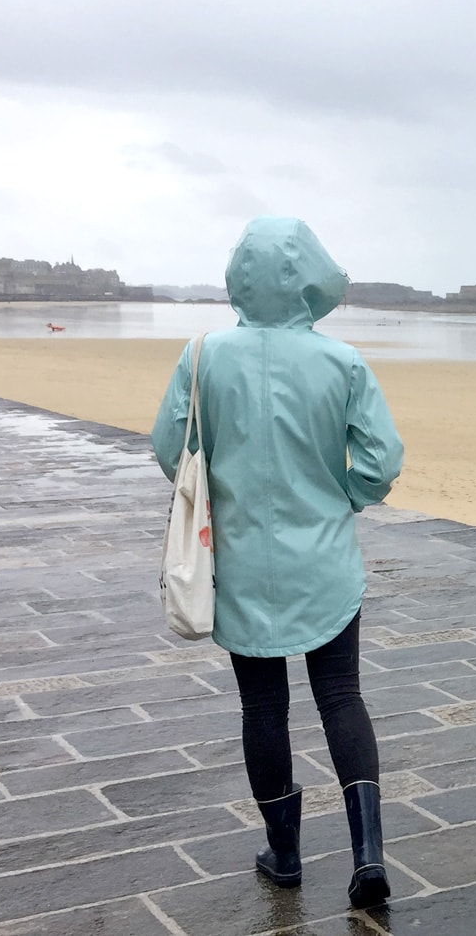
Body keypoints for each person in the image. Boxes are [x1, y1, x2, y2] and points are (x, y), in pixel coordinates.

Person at [152, 217, 405, 909]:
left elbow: (168, 446)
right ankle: (367, 854)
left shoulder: (203, 355)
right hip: (323, 561)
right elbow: (383, 461)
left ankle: (285, 852)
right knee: (342, 697)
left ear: (240, 275)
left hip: (237, 563)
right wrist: (342, 497)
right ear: (313, 277)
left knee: (262, 705)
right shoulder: (342, 361)